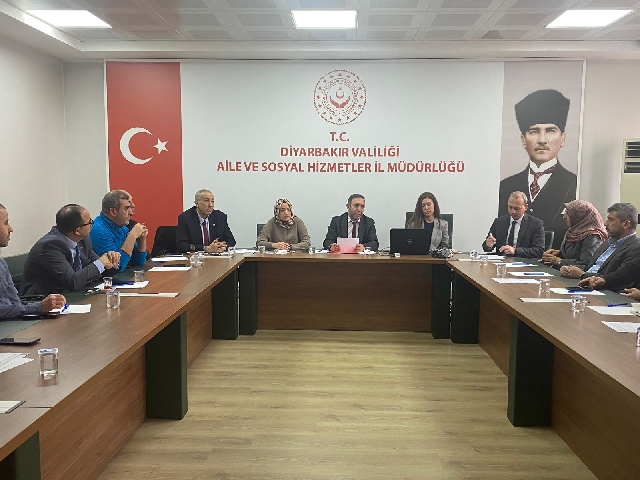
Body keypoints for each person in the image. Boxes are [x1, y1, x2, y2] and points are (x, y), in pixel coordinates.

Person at [499, 89, 577, 250]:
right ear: (523, 140)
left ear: (562, 138)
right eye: (534, 131)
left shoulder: (572, 182)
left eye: (550, 130)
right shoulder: (506, 185)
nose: (542, 140)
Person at [20, 205, 120, 296]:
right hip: (42, 299)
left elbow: (97, 269)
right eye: (89, 222)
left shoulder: (83, 240)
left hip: (71, 294)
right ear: (77, 231)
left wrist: (111, 261)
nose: (92, 224)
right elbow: (72, 282)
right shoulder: (50, 246)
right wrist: (101, 263)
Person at [0, 203, 66, 319]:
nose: (10, 229)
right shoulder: (50, 244)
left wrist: (43, 306)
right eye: (5, 223)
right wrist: (39, 307)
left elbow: (15, 303)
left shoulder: (2, 263)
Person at [559, 203, 640, 292]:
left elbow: (619, 278)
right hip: (585, 285)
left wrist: (582, 275)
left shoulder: (636, 247)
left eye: (610, 220)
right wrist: (570, 269)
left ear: (626, 224)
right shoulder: (608, 243)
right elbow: (590, 266)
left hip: (605, 291)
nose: (605, 223)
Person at [90, 190, 148, 271]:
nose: (131, 213)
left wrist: (142, 239)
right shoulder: (97, 230)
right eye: (126, 208)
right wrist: (132, 235)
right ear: (113, 211)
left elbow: (139, 261)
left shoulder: (122, 227)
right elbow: (117, 267)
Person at [541, 200, 606, 270]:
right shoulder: (573, 231)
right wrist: (558, 253)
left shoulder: (592, 236)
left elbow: (586, 264)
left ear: (579, 215)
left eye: (568, 214)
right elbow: (573, 255)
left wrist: (559, 261)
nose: (564, 217)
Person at [483, 191, 545, 258]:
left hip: (523, 261)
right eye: (510, 207)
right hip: (501, 260)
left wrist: (515, 251)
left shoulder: (535, 224)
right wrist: (488, 245)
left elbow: (539, 251)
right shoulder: (499, 222)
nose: (513, 211)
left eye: (517, 208)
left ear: (526, 207)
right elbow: (486, 247)